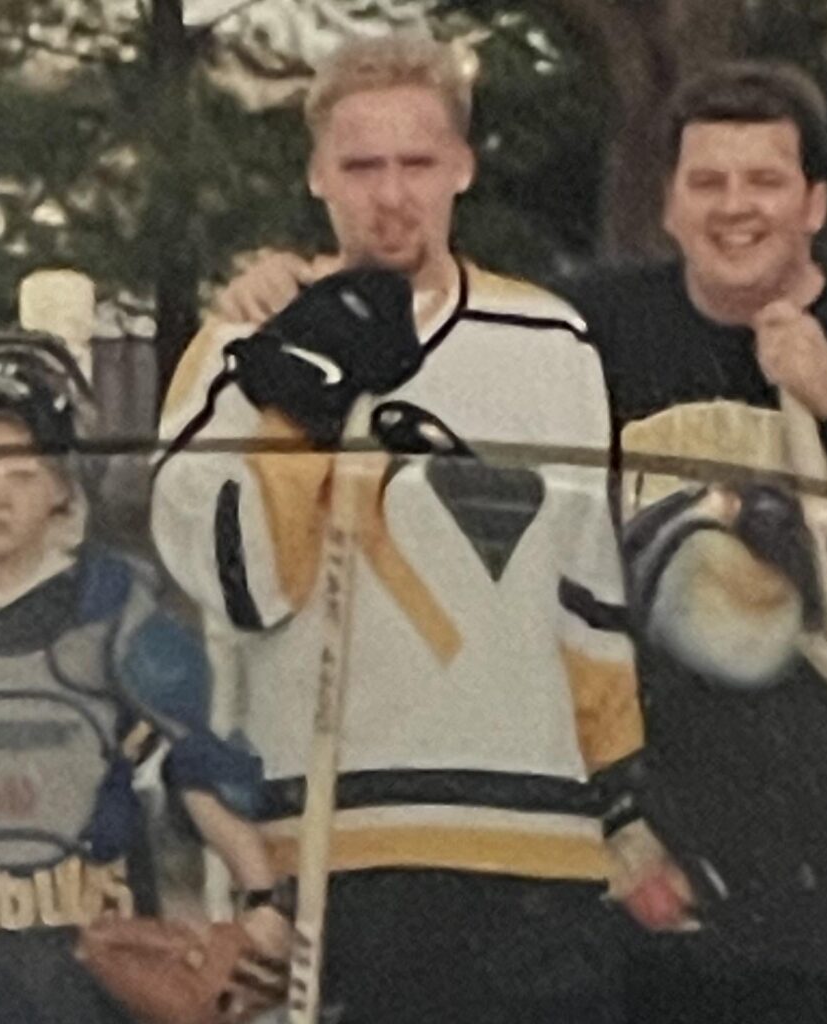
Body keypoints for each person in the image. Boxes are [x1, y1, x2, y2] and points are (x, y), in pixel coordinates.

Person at [152, 34, 689, 1023]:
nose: (390, 193)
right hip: (339, 847)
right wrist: (295, 404)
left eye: (417, 162)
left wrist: (623, 807)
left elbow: (585, 594)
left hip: (535, 847)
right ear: (317, 174)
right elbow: (244, 587)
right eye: (361, 165)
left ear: (462, 167)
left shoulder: (552, 343)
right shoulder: (235, 347)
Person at [563, 61, 827, 1024]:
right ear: (667, 203)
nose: (734, 208)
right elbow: (436, 327)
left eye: (765, 181)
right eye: (707, 182)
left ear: (815, 202)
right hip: (646, 825)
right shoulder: (594, 333)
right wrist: (290, 290)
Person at [0, 334, 285, 1024]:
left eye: (23, 474)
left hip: (92, 989)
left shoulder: (116, 612)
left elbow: (197, 767)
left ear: (62, 487)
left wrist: (264, 906)